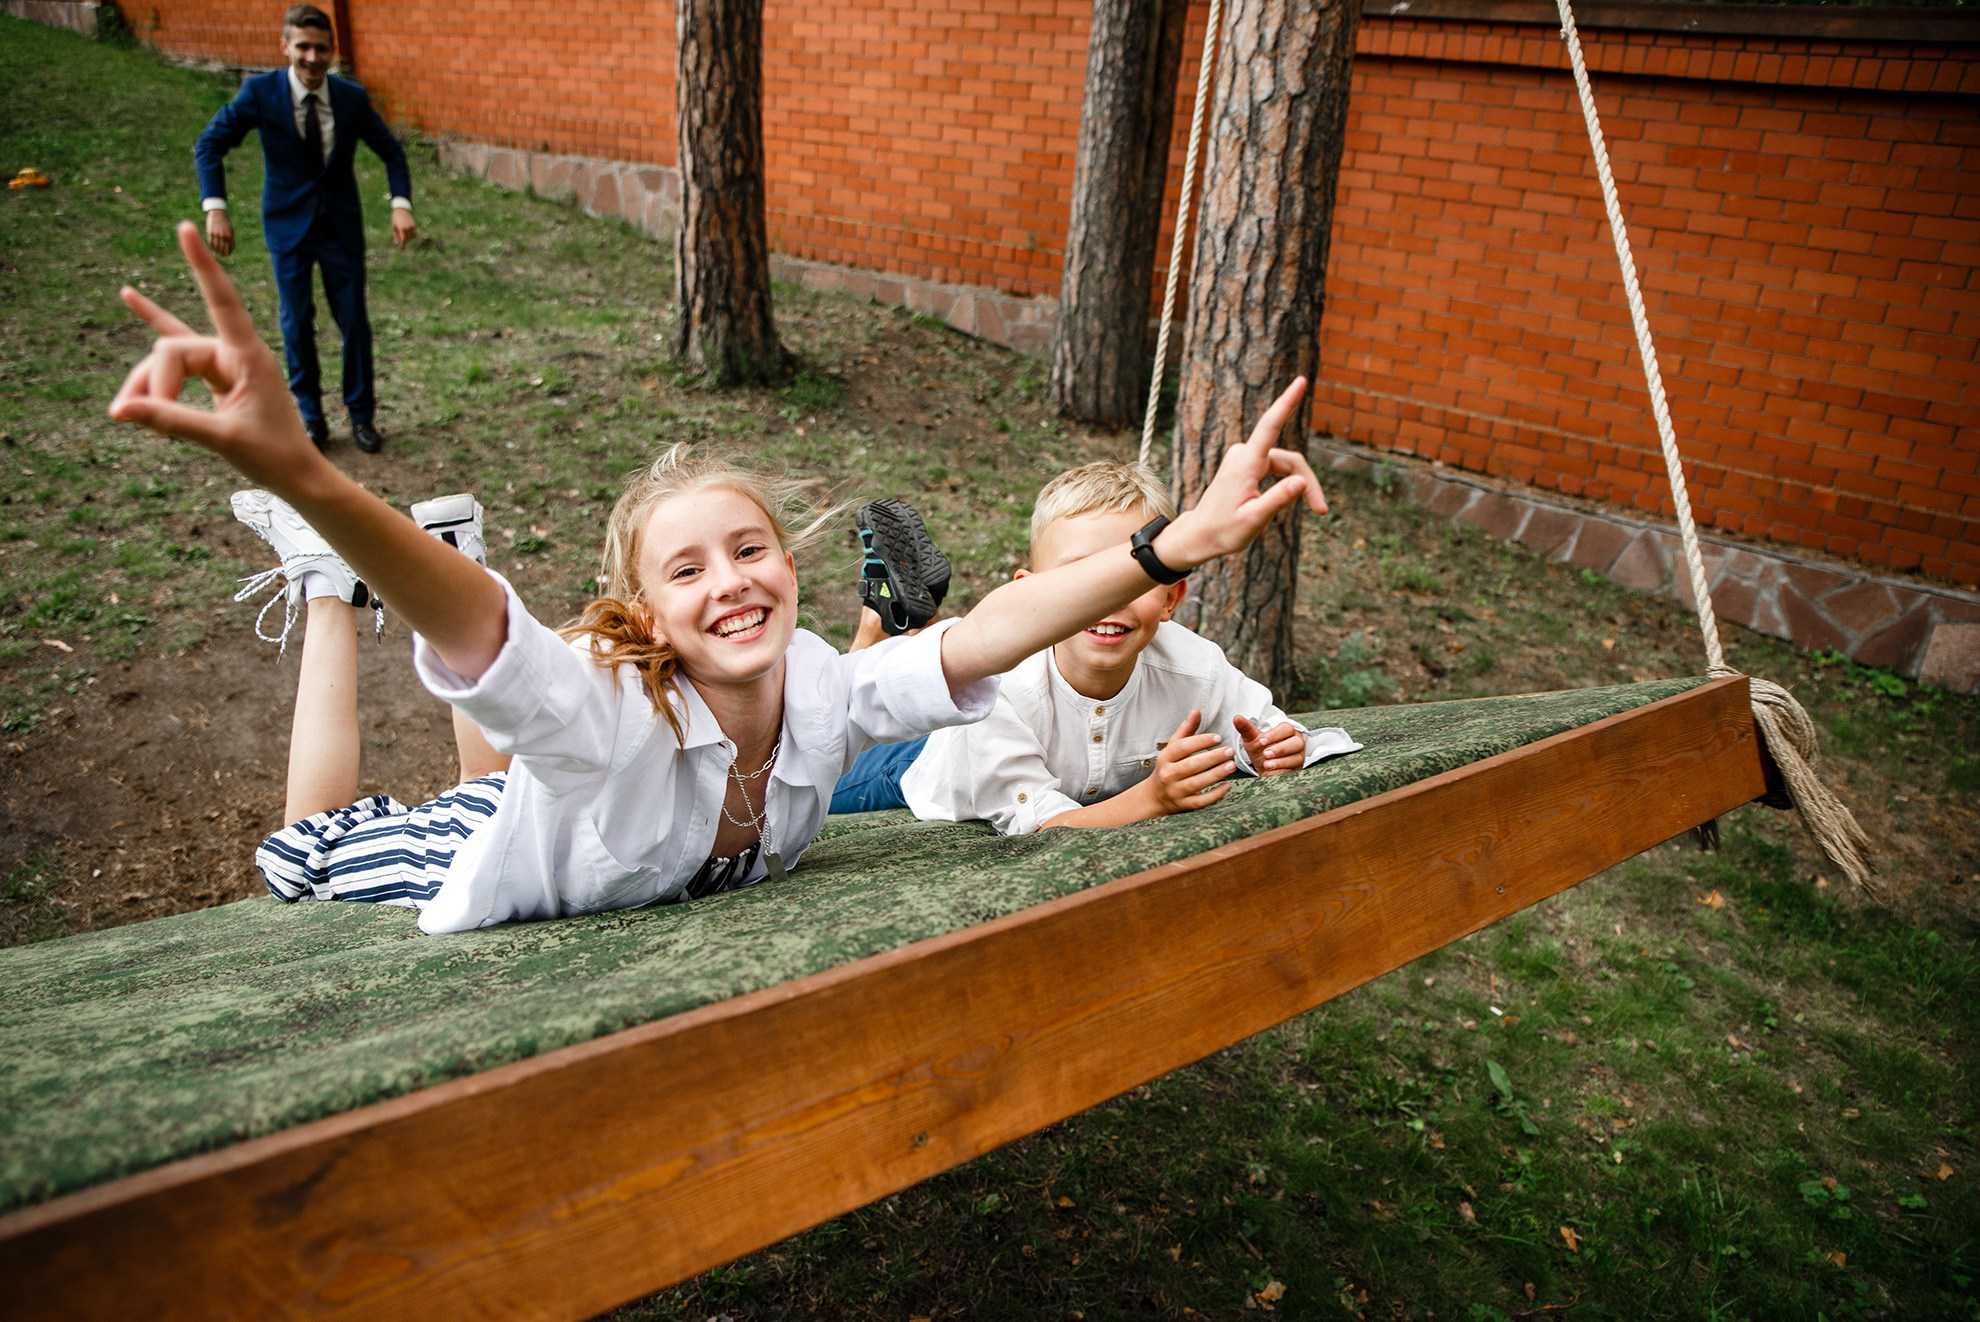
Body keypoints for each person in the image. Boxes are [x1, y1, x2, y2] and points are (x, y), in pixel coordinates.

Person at [106, 221, 1331, 935]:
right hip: (474, 858)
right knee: (307, 839)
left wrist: (1169, 550)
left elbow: (991, 630)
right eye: (687, 569)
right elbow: (492, 637)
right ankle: (328, 585)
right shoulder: (608, 706)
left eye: (749, 549)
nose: (732, 579)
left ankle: (418, 556)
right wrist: (315, 476)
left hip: (575, 806)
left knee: (521, 731)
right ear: (646, 615)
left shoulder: (825, 689)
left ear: (789, 570)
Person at [830, 464, 1360, 832]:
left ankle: (891, 641)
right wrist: (1152, 798)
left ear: (1171, 597)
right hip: (925, 765)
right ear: (1030, 595)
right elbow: (1046, 826)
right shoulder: (1002, 691)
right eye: (1082, 581)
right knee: (816, 775)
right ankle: (876, 641)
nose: (1109, 603)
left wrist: (1269, 749)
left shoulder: (1194, 669)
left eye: (1131, 582)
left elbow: (1277, 733)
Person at [195, 3, 415, 455]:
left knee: (354, 322)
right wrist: (216, 207)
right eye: (303, 47)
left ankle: (361, 417)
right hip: (287, 227)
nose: (312, 58)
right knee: (296, 324)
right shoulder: (260, 93)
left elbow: (391, 151)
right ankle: (311, 421)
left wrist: (400, 205)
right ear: (285, 47)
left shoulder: (351, 99)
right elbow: (210, 143)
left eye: (321, 49)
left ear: (333, 51)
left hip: (340, 228)